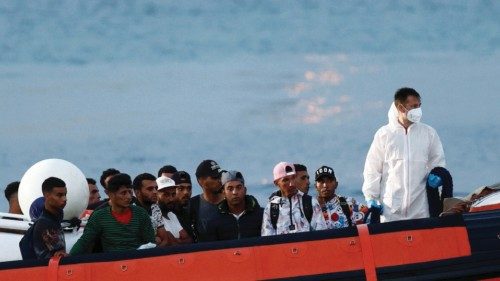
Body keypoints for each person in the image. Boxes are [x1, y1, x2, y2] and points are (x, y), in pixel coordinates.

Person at [362, 87, 446, 222]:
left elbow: (438, 161)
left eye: (419, 106)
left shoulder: (428, 133)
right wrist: (371, 197)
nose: (418, 110)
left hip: (421, 209)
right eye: (413, 106)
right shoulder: (384, 135)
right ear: (400, 107)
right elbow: (372, 168)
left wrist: (438, 175)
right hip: (391, 211)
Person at [70, 173, 155, 254]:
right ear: (111, 194)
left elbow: (151, 242)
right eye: (123, 193)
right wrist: (68, 258)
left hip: (139, 261)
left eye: (130, 192)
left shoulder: (141, 213)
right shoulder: (99, 216)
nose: (129, 197)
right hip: (111, 264)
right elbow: (85, 241)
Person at [261, 162, 326, 236]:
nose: (291, 183)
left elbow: (321, 236)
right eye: (285, 180)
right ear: (276, 183)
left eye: (293, 178)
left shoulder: (311, 202)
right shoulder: (271, 208)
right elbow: (268, 241)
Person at [205, 170, 263, 241]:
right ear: (223, 192)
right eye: (230, 189)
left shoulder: (261, 215)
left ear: (245, 190)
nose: (235, 192)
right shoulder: (214, 220)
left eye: (238, 187)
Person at [33, 177, 68, 259]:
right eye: (59, 195)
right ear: (47, 196)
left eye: (65, 194)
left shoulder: (54, 220)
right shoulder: (45, 224)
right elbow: (60, 257)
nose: (65, 199)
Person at [132, 173, 171, 247]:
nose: (155, 192)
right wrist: (155, 240)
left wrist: (154, 246)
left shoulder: (155, 208)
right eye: (150, 189)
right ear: (137, 193)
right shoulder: (131, 211)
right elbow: (137, 244)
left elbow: (165, 240)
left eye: (156, 188)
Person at [190, 159, 223, 242]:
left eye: (220, 176)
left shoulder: (231, 202)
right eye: (215, 177)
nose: (219, 180)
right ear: (200, 181)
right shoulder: (192, 205)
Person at [156, 176, 192, 244]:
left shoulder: (172, 215)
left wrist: (175, 240)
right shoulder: (152, 217)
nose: (171, 199)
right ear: (156, 195)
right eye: (166, 195)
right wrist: (180, 241)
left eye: (173, 194)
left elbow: (189, 240)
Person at [171, 171, 194, 239]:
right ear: (172, 190)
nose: (186, 192)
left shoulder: (193, 213)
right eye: (181, 188)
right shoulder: (165, 215)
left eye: (189, 188)